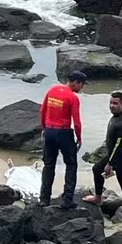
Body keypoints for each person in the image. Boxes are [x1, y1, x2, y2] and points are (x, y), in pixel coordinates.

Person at [83, 92, 122, 228]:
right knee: (96, 169)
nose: (112, 106)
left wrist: (110, 164)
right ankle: (98, 198)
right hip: (117, 155)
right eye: (111, 103)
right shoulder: (119, 116)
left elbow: (119, 145)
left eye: (115, 103)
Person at [38, 70, 87, 208]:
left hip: (49, 131)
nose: (82, 88)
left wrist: (44, 128)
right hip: (63, 133)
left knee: (48, 165)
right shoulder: (72, 97)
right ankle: (67, 200)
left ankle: (44, 199)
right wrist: (79, 137)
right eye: (81, 85)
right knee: (71, 165)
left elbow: (42, 110)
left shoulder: (52, 90)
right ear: (76, 82)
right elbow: (76, 121)